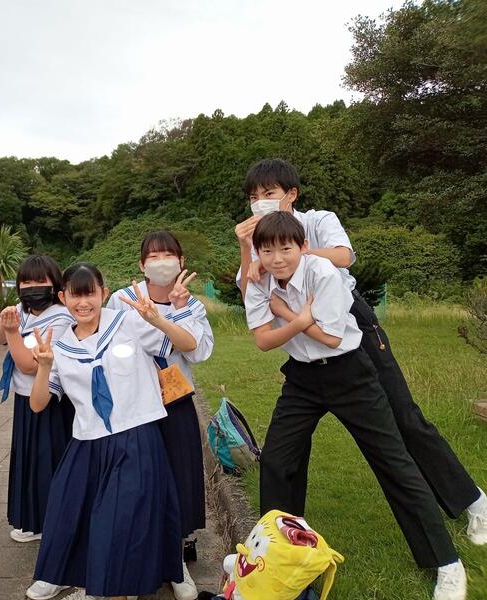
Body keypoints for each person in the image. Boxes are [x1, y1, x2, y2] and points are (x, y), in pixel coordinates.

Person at [235, 158, 486, 547]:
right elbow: (250, 290)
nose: (260, 202)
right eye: (254, 197)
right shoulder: (259, 240)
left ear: (291, 195)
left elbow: (344, 256)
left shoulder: (317, 220)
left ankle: (473, 502)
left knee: (404, 418)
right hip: (307, 343)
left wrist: (292, 252)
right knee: (289, 447)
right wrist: (249, 250)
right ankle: (285, 540)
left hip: (353, 325)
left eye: (269, 193)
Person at [243, 211, 466, 600]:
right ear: (257, 253)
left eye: (286, 249)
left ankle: (447, 563)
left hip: (350, 374)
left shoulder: (323, 273)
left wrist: (285, 314)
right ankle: (277, 558)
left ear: (302, 247)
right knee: (277, 461)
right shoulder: (258, 280)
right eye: (267, 251)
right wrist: (298, 318)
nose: (277, 259)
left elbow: (331, 338)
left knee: (393, 462)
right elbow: (263, 341)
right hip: (302, 379)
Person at [29, 262, 202, 599]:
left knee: (120, 521)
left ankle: (124, 585)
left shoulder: (129, 323)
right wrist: (44, 366)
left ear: (103, 293)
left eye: (90, 294)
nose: (83, 303)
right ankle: (90, 580)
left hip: (135, 438)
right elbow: (38, 404)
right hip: (87, 445)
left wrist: (157, 320)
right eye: (75, 296)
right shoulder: (59, 346)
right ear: (63, 298)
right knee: (70, 513)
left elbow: (188, 343)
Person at [107, 231, 214, 600]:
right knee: (137, 483)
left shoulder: (192, 305)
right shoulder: (122, 299)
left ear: (181, 261)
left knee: (181, 479)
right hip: (134, 404)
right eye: (153, 256)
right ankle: (138, 560)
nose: (162, 261)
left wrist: (174, 314)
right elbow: (113, 346)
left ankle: (176, 562)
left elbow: (198, 352)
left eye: (169, 254)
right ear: (142, 264)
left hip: (175, 400)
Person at [0, 255, 76, 600]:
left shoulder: (61, 318)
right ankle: (35, 521)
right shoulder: (25, 312)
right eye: (26, 282)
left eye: (40, 282)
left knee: (49, 464)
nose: (32, 288)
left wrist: (12, 332)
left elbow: (28, 365)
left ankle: (54, 523)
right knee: (30, 462)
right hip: (26, 402)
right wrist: (6, 320)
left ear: (55, 285)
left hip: (52, 402)